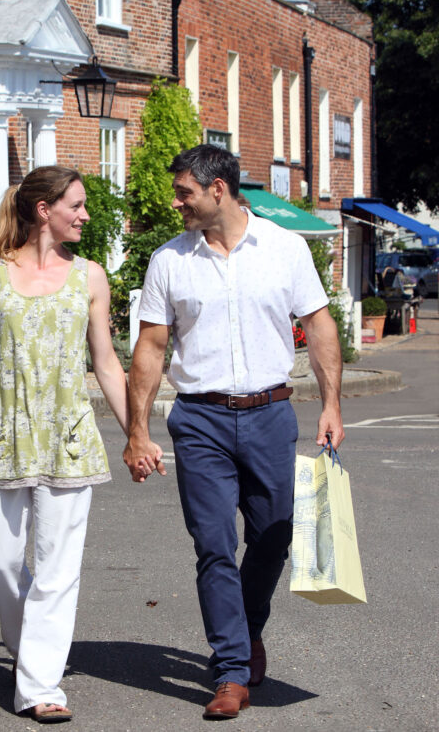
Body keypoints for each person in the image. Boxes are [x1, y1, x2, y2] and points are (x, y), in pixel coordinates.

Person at [122, 144, 344, 720]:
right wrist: (137, 431)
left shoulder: (285, 248)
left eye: (184, 193)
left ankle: (246, 632)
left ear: (217, 189)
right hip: (200, 419)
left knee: (274, 534)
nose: (177, 203)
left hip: (271, 413)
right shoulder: (170, 261)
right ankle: (230, 671)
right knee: (214, 545)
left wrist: (331, 405)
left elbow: (319, 325)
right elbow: (150, 346)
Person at [0, 165, 129, 724]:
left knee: (56, 570)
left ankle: (41, 685)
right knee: (0, 563)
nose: (85, 215)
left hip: (68, 440)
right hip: (0, 436)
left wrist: (136, 433)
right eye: (76, 204)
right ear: (44, 209)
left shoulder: (90, 277)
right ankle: (32, 657)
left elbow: (106, 362)